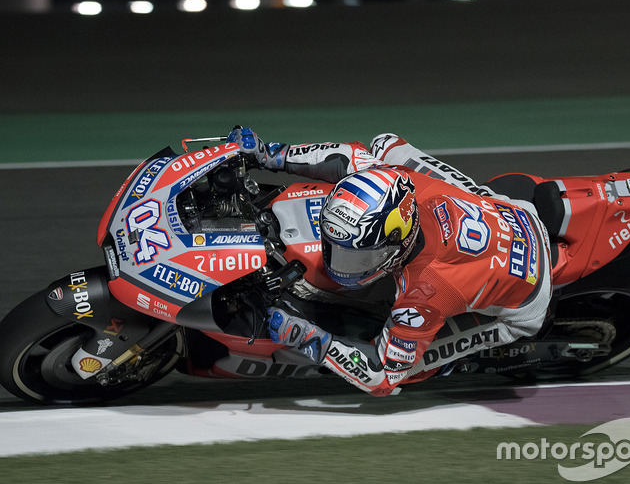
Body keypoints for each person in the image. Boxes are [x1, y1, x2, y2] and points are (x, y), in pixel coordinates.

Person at [228, 126, 552, 396]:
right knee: (385, 143)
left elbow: (381, 378)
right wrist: (268, 154)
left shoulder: (422, 295)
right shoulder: (399, 180)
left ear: (397, 243)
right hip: (511, 212)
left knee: (404, 372)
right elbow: (346, 156)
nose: (337, 264)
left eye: (358, 256)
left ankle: (462, 354)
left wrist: (309, 338)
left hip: (528, 296)